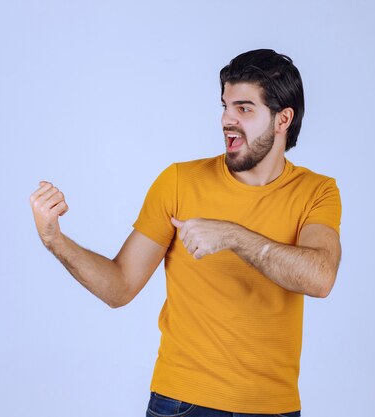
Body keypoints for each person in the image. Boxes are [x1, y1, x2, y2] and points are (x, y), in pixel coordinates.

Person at [29, 49, 342, 417]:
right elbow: (120, 287)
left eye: (244, 109)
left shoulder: (316, 191)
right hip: (184, 404)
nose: (227, 119)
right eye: (225, 106)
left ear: (282, 119)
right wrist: (55, 240)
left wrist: (232, 236)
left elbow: (319, 277)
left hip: (275, 408)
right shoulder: (179, 182)